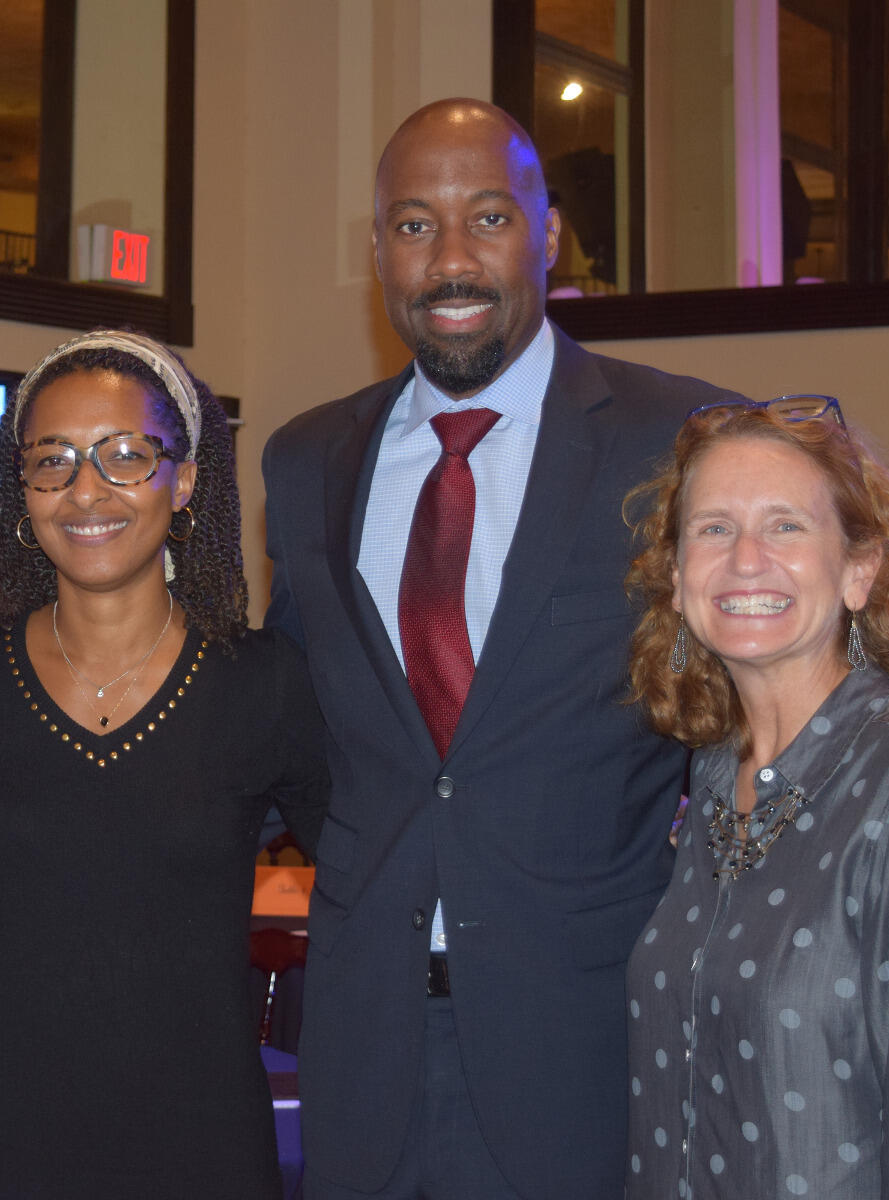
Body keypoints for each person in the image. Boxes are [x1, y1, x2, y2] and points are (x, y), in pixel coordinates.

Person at [261, 99, 744, 1200]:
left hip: (587, 1042)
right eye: (415, 226)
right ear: (376, 248)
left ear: (549, 234)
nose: (453, 259)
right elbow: (297, 722)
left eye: (488, 217)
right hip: (360, 1047)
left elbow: (762, 708)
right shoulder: (303, 462)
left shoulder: (684, 442)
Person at [0, 329, 329, 1200]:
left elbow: (369, 870)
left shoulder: (264, 684)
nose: (85, 490)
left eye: (124, 456)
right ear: (21, 487)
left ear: (183, 481)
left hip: (201, 1138)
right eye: (54, 460)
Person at [622, 397, 889, 1198]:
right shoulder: (713, 772)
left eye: (785, 525)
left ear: (859, 570)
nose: (747, 559)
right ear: (677, 580)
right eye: (713, 528)